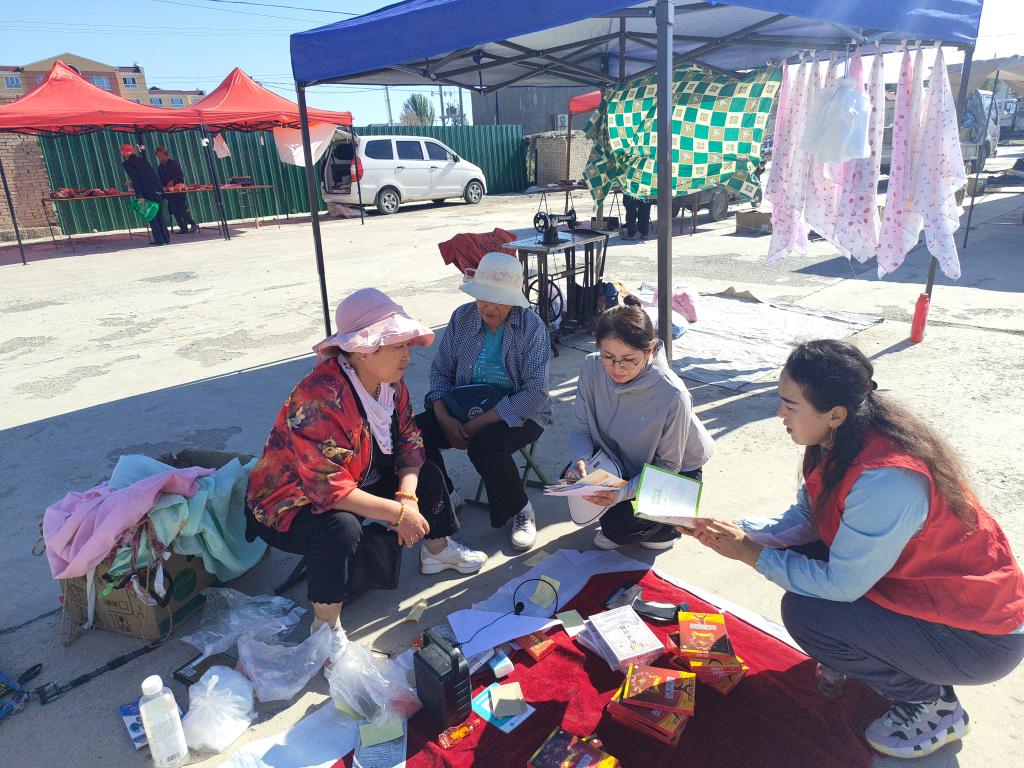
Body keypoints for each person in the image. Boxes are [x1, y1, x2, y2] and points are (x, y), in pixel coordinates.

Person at [686, 339, 1024, 760]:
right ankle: (876, 654)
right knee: (811, 559)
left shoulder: (887, 480)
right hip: (930, 600)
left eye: (790, 405)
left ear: (835, 413)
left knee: (809, 614)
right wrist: (734, 531)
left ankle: (932, 703)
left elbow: (842, 585)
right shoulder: (837, 439)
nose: (779, 414)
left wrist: (751, 554)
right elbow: (809, 519)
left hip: (978, 638)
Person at [245, 288, 488, 641]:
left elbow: (409, 440)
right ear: (362, 349)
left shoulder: (391, 385)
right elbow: (328, 488)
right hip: (289, 501)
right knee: (339, 529)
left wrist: (406, 500)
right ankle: (325, 627)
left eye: (407, 344)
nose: (407, 354)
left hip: (357, 474)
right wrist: (397, 513)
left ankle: (437, 551)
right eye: (397, 345)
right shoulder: (320, 398)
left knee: (427, 476)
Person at [415, 252, 551, 552]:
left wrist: (478, 423)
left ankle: (521, 510)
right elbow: (440, 372)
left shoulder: (531, 327)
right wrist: (443, 416)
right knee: (413, 434)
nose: (488, 306)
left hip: (520, 411)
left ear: (513, 300)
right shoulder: (461, 318)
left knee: (486, 444)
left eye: (498, 299)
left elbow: (536, 392)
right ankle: (445, 495)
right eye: (482, 297)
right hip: (463, 406)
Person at [568, 295, 713, 550]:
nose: (617, 368)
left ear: (649, 350)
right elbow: (581, 428)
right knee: (574, 484)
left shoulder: (672, 393)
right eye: (608, 356)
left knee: (620, 527)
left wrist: (621, 494)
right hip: (620, 458)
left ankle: (667, 531)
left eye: (629, 359)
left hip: (676, 470)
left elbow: (668, 466)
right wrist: (580, 459)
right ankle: (636, 519)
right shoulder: (591, 367)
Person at [119, 144, 170, 246]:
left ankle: (159, 240)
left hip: (147, 191)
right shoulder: (142, 160)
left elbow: (136, 178)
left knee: (151, 215)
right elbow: (150, 175)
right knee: (159, 214)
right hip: (157, 189)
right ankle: (165, 238)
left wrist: (140, 195)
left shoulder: (127, 163)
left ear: (124, 153)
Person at [155, 147, 198, 235]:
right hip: (169, 191)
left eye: (162, 156)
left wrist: (173, 181)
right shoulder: (160, 167)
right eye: (158, 156)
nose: (160, 158)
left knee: (181, 208)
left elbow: (180, 175)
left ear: (166, 155)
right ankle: (183, 227)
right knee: (173, 209)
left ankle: (192, 223)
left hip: (178, 189)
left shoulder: (174, 164)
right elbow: (160, 180)